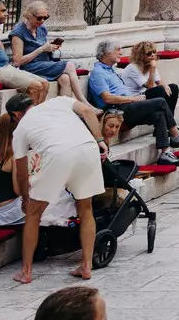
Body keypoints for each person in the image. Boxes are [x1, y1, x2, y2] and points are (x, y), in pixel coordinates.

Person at [10, 91, 108, 284]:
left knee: (33, 213)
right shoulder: (60, 101)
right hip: (87, 147)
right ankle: (86, 265)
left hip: (57, 154)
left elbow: (21, 173)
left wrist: (24, 197)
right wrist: (100, 140)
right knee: (85, 208)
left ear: (15, 115)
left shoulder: (20, 129)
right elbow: (88, 111)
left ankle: (26, 271)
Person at [85, 39, 179, 165]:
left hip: (129, 106)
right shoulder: (98, 73)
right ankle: (175, 135)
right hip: (118, 108)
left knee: (159, 114)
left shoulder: (111, 70)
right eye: (117, 50)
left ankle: (165, 153)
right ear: (106, 53)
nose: (121, 53)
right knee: (160, 102)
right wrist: (134, 99)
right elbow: (107, 98)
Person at [7, 3, 81, 103]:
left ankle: (64, 112)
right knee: (69, 65)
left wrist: (50, 47)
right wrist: (41, 49)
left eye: (45, 18)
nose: (42, 21)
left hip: (45, 64)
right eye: (39, 18)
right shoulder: (18, 33)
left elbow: (43, 46)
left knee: (65, 78)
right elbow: (17, 62)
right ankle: (83, 102)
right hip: (30, 67)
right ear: (29, 16)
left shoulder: (42, 28)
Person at [120, 41, 177, 113]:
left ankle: (170, 117)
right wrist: (152, 68)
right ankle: (165, 118)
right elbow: (149, 86)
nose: (152, 55)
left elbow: (159, 82)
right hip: (135, 98)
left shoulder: (149, 64)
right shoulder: (133, 67)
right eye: (149, 54)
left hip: (144, 94)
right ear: (140, 55)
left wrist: (165, 86)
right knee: (160, 90)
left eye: (154, 52)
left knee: (173, 88)